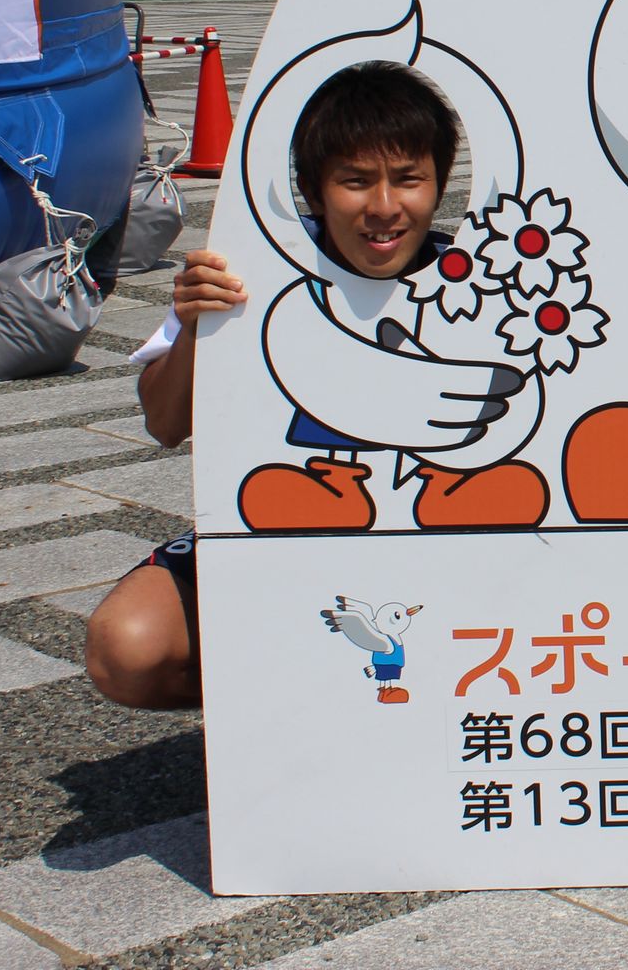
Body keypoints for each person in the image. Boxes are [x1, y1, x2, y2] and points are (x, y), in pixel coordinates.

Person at [83, 61, 466, 710]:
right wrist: (195, 326)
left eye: (409, 180)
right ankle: (269, 727)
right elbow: (164, 424)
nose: (384, 207)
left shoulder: (478, 280)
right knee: (128, 647)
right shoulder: (249, 271)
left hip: (442, 538)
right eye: (355, 181)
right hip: (286, 532)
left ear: (439, 184)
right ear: (313, 192)